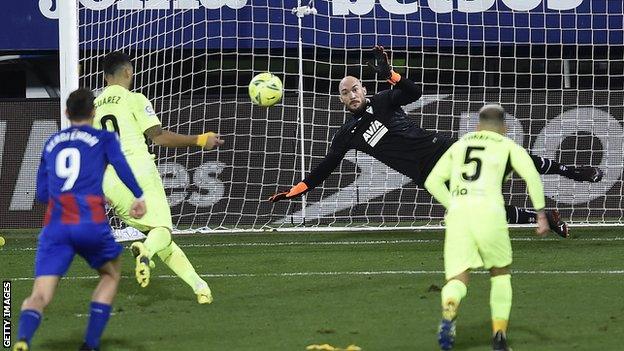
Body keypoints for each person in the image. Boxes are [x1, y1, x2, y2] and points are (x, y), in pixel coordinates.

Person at [269, 46, 603, 237]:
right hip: (428, 176)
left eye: (354, 87)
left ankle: (570, 171)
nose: (351, 94)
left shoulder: (384, 100)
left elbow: (414, 92)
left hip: (441, 149)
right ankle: (541, 216)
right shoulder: (347, 135)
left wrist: (390, 73)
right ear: (341, 101)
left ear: (364, 90)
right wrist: (294, 191)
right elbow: (325, 168)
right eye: (345, 92)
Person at [13, 89, 146, 351]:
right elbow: (120, 165)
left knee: (40, 295)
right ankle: (90, 345)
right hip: (90, 223)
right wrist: (138, 196)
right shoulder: (103, 138)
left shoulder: (52, 142)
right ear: (94, 113)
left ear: (66, 113)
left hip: (57, 227)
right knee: (110, 275)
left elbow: (41, 194)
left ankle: (21, 340)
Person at [93, 51, 224, 304]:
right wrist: (200, 140)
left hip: (108, 180)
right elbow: (158, 137)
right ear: (129, 72)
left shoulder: (93, 106)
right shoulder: (134, 99)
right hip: (137, 171)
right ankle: (145, 252)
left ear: (105, 76)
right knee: (162, 230)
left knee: (158, 233)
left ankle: (200, 287)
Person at [424, 104, 550, 351]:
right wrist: (541, 214)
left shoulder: (459, 145)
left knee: (458, 279)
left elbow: (432, 181)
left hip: (459, 216)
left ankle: (450, 307)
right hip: (490, 213)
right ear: (504, 128)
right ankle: (499, 337)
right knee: (500, 274)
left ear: (477, 126)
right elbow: (532, 176)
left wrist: (455, 204)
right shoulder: (508, 146)